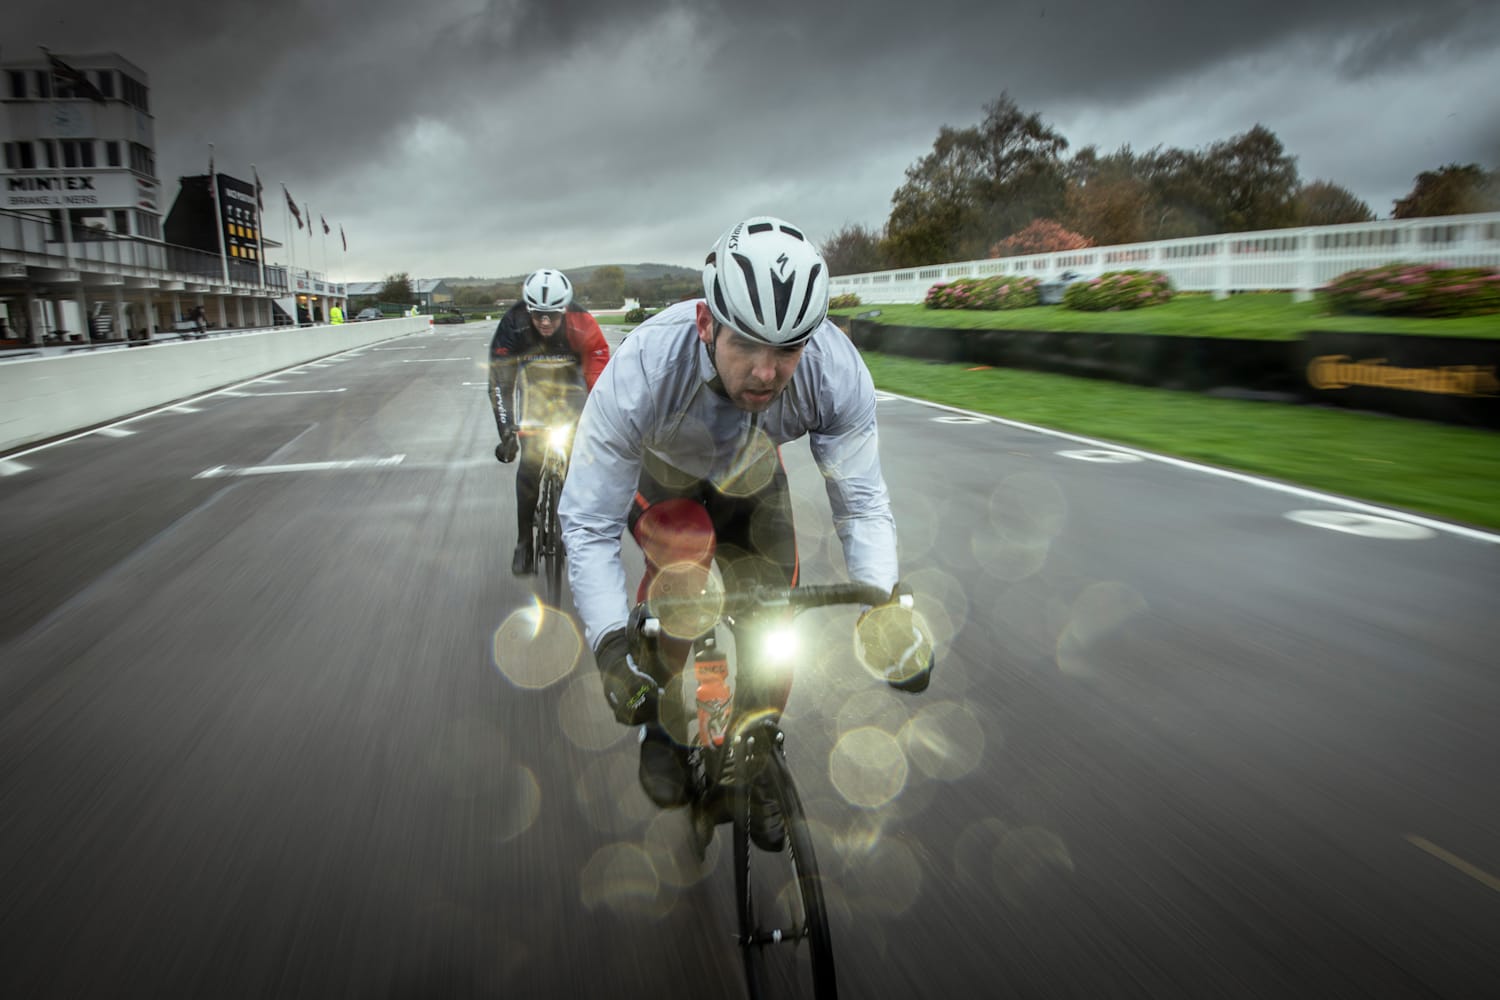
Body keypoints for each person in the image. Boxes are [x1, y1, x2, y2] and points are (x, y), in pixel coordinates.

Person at [557, 216, 934, 850]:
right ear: (707, 324)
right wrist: (607, 646)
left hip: (751, 473)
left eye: (787, 350)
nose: (765, 373)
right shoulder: (645, 369)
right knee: (684, 565)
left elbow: (862, 502)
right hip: (666, 476)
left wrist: (882, 606)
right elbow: (589, 523)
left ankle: (758, 749)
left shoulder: (835, 372)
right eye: (747, 346)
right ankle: (660, 725)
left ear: (812, 340)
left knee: (773, 611)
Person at [489, 268, 611, 576]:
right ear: (528, 310)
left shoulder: (582, 324)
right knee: (530, 465)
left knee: (578, 460)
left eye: (553, 316)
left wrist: (598, 420)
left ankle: (573, 528)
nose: (545, 322)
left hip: (571, 383)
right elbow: (500, 383)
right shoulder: (512, 325)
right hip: (535, 387)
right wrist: (507, 432)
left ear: (565, 310)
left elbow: (599, 373)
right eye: (538, 315)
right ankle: (523, 542)